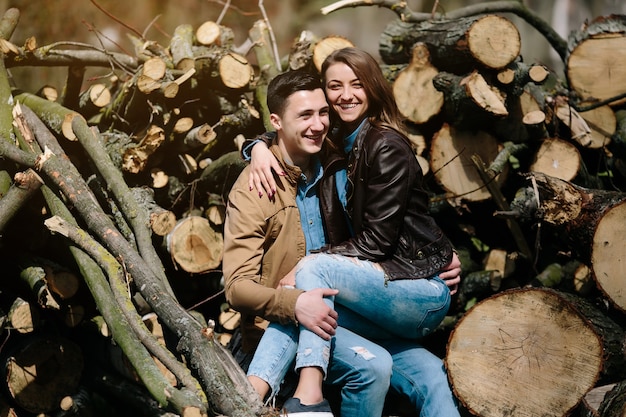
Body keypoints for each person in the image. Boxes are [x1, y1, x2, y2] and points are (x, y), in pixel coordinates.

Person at [245, 47, 461, 417]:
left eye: (357, 84)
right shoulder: (334, 145)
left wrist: (307, 264)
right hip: (376, 297)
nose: (346, 94)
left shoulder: (385, 145)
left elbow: (379, 239)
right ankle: (248, 397)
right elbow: (289, 128)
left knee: (314, 272)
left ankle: (295, 395)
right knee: (432, 377)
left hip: (415, 290)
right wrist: (257, 147)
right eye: (335, 86)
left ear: (373, 88)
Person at [223, 69, 395, 417]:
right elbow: (236, 288)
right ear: (276, 121)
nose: (318, 125)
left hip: (343, 317)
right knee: (372, 368)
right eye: (304, 115)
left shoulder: (335, 161)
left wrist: (437, 255)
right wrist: (295, 304)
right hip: (281, 329)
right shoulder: (254, 189)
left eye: (322, 112)